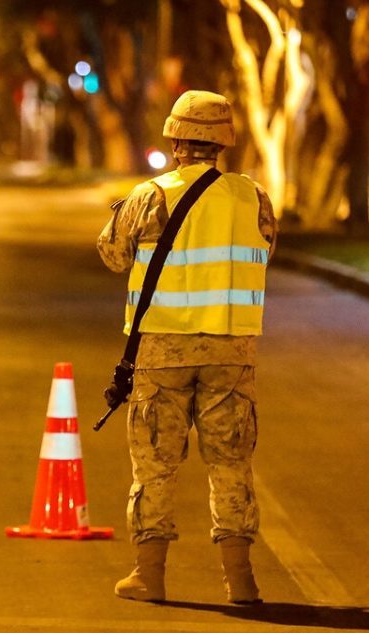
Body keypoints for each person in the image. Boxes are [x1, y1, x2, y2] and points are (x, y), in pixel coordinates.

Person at [96, 90, 277, 605]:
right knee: (230, 465)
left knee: (155, 466)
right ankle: (241, 581)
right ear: (224, 140)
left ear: (175, 138)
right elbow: (266, 250)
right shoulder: (253, 197)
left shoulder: (151, 196)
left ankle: (149, 575)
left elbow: (112, 254)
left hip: (162, 352)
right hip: (231, 353)